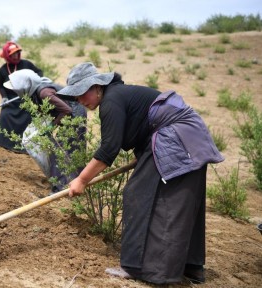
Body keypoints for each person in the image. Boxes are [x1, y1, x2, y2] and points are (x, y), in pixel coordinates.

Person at [57, 62, 224, 285]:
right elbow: (142, 127)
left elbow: (108, 149)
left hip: (175, 137)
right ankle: (191, 267)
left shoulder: (111, 101)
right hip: (189, 138)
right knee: (184, 200)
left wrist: (81, 179)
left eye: (81, 92)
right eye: (75, 96)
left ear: (97, 86)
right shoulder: (119, 94)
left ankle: (143, 268)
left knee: (141, 196)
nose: (79, 100)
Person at [3, 69, 87, 194]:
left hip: (74, 115)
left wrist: (50, 127)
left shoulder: (44, 93)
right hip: (70, 115)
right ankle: (71, 183)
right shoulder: (37, 90)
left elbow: (67, 110)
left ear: (24, 85)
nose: (16, 91)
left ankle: (60, 188)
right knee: (64, 150)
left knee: (61, 151)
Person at [0, 41, 43, 153]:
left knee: (30, 116)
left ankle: (28, 145)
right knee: (5, 115)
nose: (16, 56)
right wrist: (4, 97)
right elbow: (1, 87)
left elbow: (39, 73)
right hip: (11, 100)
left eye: (17, 53)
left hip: (26, 98)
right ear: (7, 56)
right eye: (13, 54)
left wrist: (34, 83)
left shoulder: (26, 65)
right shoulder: (2, 70)